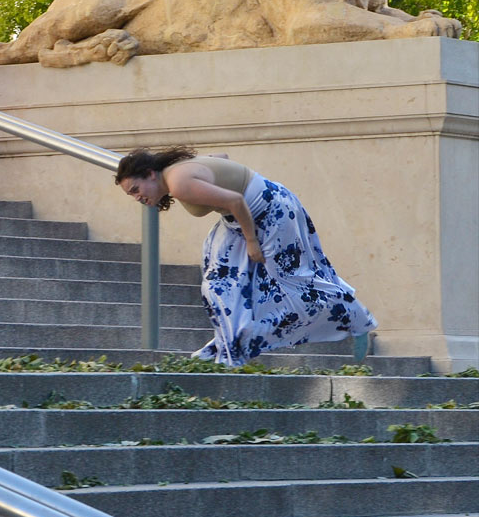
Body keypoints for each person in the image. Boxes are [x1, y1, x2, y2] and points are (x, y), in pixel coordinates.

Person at [114, 147, 376, 367]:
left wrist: (252, 242)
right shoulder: (177, 172)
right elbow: (222, 158)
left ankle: (355, 317)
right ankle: (229, 350)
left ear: (150, 174)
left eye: (137, 189)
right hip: (239, 220)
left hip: (271, 211)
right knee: (219, 283)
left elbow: (236, 200)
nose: (138, 198)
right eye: (132, 195)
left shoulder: (179, 182)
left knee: (294, 281)